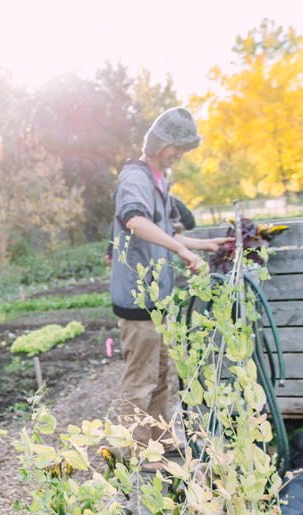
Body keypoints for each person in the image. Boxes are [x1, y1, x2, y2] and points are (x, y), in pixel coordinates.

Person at [108, 106, 228, 462]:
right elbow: (135, 221)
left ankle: (157, 440)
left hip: (157, 297)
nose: (180, 155)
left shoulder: (160, 180)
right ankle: (127, 450)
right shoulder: (135, 178)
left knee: (162, 375)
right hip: (137, 297)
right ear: (160, 143)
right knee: (140, 380)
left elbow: (165, 232)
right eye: (178, 147)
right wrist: (178, 247)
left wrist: (203, 246)